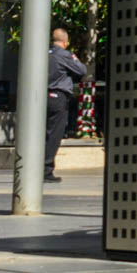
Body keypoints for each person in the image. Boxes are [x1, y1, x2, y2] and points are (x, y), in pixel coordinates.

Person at [45, 29, 87, 184]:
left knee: (42, 134)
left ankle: (36, 168)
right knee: (54, 134)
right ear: (65, 42)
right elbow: (82, 70)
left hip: (40, 97)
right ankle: (46, 170)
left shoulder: (44, 52)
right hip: (58, 97)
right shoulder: (64, 54)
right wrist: (74, 58)